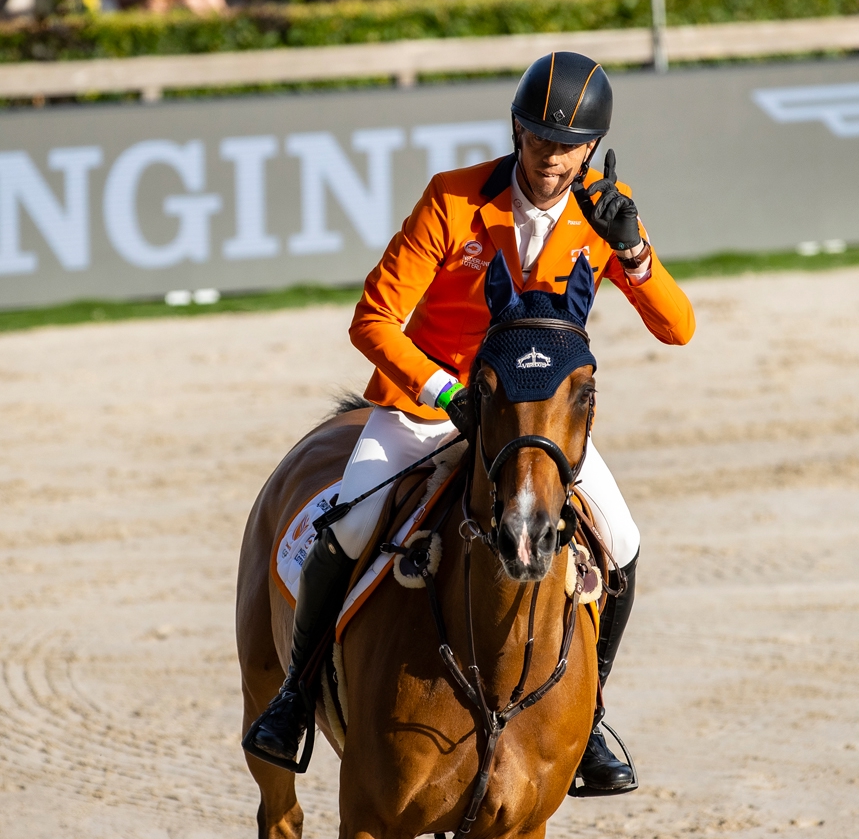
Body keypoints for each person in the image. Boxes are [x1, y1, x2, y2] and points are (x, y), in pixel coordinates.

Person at [244, 52, 695, 794]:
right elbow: (374, 319)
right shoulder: (453, 201)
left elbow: (678, 329)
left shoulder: (603, 212)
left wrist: (636, 252)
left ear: (592, 146)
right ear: (516, 132)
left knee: (622, 543)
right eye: (539, 140)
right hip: (430, 409)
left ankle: (589, 721)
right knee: (349, 529)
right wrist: (442, 388)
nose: (552, 158)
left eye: (569, 145)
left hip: (531, 423)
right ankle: (295, 696)